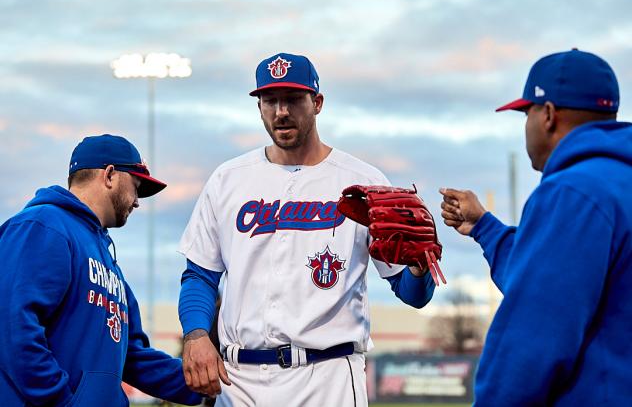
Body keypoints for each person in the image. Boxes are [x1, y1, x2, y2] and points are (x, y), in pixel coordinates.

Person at [178, 52, 436, 406]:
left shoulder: (363, 182)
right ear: (259, 108)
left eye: (293, 100)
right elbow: (199, 276)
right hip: (241, 381)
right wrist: (195, 336)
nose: (280, 111)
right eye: (270, 100)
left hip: (328, 377)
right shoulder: (228, 179)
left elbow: (411, 293)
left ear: (317, 103)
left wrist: (420, 268)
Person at [440, 49, 632, 405]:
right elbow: (557, 281)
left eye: (525, 113)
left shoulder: (574, 191)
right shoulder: (618, 182)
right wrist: (484, 227)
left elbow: (533, 336)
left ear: (548, 115)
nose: (526, 125)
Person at [0, 134, 203, 406]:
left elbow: (132, 356)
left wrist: (203, 381)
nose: (137, 201)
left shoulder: (109, 262)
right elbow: (12, 328)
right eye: (136, 186)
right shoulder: (43, 226)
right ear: (109, 176)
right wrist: (62, 401)